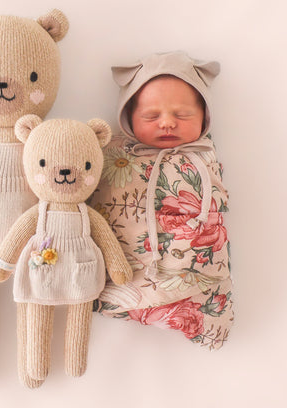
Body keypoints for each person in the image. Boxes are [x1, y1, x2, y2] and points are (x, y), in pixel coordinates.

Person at [89, 51, 233, 350]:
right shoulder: (111, 155)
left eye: (182, 115)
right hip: (126, 272)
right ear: (128, 117)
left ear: (204, 117)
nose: (167, 123)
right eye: (151, 116)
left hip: (193, 274)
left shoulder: (204, 158)